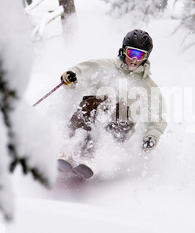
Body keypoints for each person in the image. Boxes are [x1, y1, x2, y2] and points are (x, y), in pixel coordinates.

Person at [58, 29, 167, 179]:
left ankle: (97, 158)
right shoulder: (104, 66)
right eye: (131, 53)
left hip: (116, 132)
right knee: (95, 100)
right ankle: (69, 148)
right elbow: (79, 73)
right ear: (123, 51)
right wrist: (71, 78)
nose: (134, 59)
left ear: (146, 57)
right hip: (89, 120)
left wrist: (152, 136)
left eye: (140, 55)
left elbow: (158, 114)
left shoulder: (148, 86)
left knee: (123, 109)